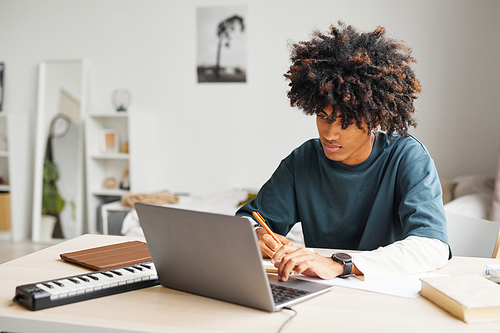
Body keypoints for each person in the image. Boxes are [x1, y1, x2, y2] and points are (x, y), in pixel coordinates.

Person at [236, 22, 450, 282]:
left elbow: (432, 247)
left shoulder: (407, 157)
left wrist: (339, 265)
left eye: (345, 122)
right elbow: (248, 219)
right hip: (321, 292)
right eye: (323, 117)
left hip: (387, 293)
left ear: (374, 119)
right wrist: (257, 234)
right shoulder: (303, 160)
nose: (329, 134)